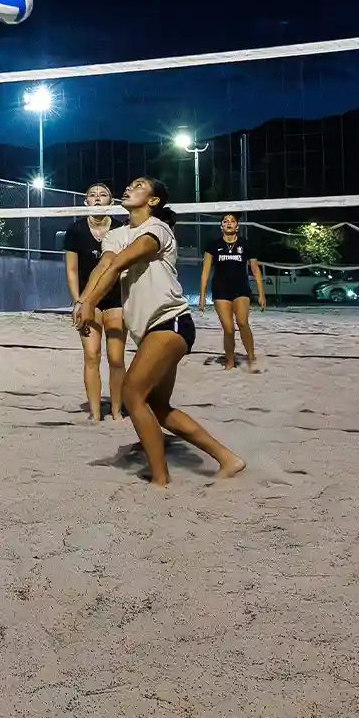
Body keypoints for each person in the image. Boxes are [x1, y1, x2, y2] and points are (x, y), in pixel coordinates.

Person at [75, 177, 246, 486]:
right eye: (128, 185)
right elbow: (104, 267)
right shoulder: (116, 235)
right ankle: (228, 459)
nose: (128, 188)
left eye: (138, 186)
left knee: (131, 394)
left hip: (172, 322)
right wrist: (84, 300)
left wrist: (90, 302)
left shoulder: (158, 229)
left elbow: (120, 263)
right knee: (159, 408)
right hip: (151, 329)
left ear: (153, 200)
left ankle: (160, 477)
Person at [64, 183, 125, 420]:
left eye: (103, 195)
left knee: (116, 358)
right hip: (88, 299)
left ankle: (117, 410)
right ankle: (96, 412)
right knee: (91, 356)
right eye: (92, 195)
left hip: (116, 298)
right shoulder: (76, 230)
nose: (97, 198)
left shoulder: (121, 230)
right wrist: (78, 300)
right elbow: (71, 270)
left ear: (112, 201)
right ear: (85, 202)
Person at [200, 212, 267, 371]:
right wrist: (202, 296)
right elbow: (205, 272)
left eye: (232, 221)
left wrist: (261, 293)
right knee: (228, 329)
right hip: (220, 290)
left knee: (243, 323)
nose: (229, 223)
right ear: (221, 226)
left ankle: (251, 357)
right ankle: (229, 361)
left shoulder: (245, 244)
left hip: (241, 289)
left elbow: (255, 270)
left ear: (237, 226)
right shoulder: (212, 245)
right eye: (225, 221)